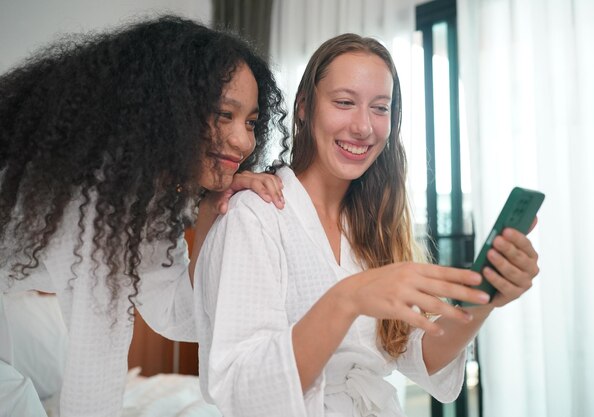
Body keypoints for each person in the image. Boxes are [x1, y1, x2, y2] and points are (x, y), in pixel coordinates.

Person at [194, 33, 540, 416]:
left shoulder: (371, 226)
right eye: (344, 103)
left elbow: (413, 352)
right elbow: (246, 392)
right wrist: (347, 298)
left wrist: (485, 297)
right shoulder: (254, 217)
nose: (363, 127)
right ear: (305, 108)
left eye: (380, 108)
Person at [0, 16, 289, 417]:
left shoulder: (144, 200)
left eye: (252, 122)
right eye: (225, 114)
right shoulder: (96, 195)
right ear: (171, 109)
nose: (244, 141)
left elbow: (181, 317)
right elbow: (94, 376)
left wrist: (210, 207)